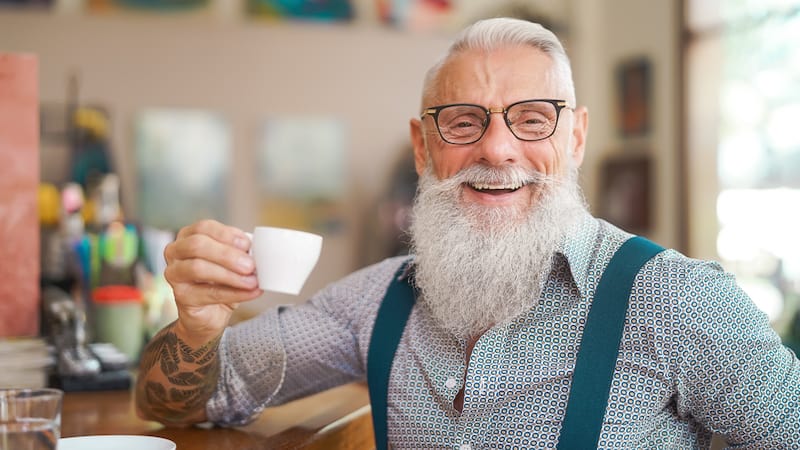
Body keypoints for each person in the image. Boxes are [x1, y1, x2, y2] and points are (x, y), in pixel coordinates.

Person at [135, 17, 800, 448]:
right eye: (463, 121)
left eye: (532, 118)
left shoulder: (676, 301)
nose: (499, 150)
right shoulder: (373, 302)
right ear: (423, 148)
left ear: (575, 137)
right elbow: (177, 404)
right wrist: (195, 329)